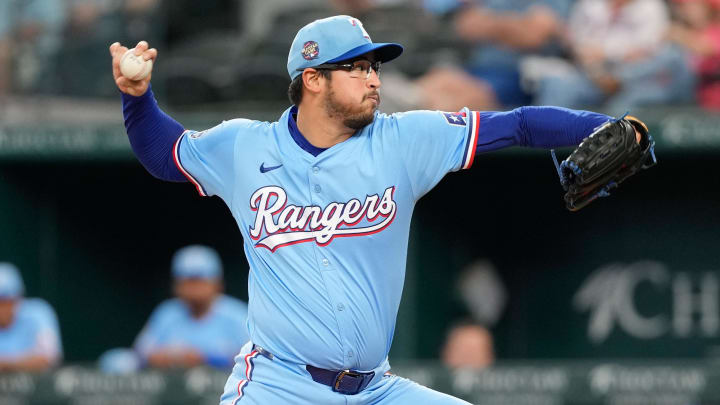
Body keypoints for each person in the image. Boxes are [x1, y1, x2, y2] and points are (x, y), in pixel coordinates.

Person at [108, 14, 643, 404]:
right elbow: (165, 155)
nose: (374, 79)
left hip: (375, 390)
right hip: (278, 388)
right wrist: (137, 96)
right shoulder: (244, 147)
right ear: (313, 79)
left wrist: (606, 126)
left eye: (374, 67)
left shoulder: (405, 138)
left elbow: (520, 123)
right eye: (357, 68)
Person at [134, 245, 249, 370]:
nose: (194, 288)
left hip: (227, 386)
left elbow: (256, 357)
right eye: (188, 281)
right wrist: (166, 357)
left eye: (200, 280)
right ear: (176, 285)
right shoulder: (167, 313)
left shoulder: (236, 314)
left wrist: (206, 358)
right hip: (173, 385)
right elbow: (140, 353)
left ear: (217, 283)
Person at [0, 262, 62, 372]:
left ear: (18, 298)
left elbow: (48, 357)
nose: (3, 308)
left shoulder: (38, 313)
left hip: (40, 388)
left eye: (5, 301)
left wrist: (6, 364)